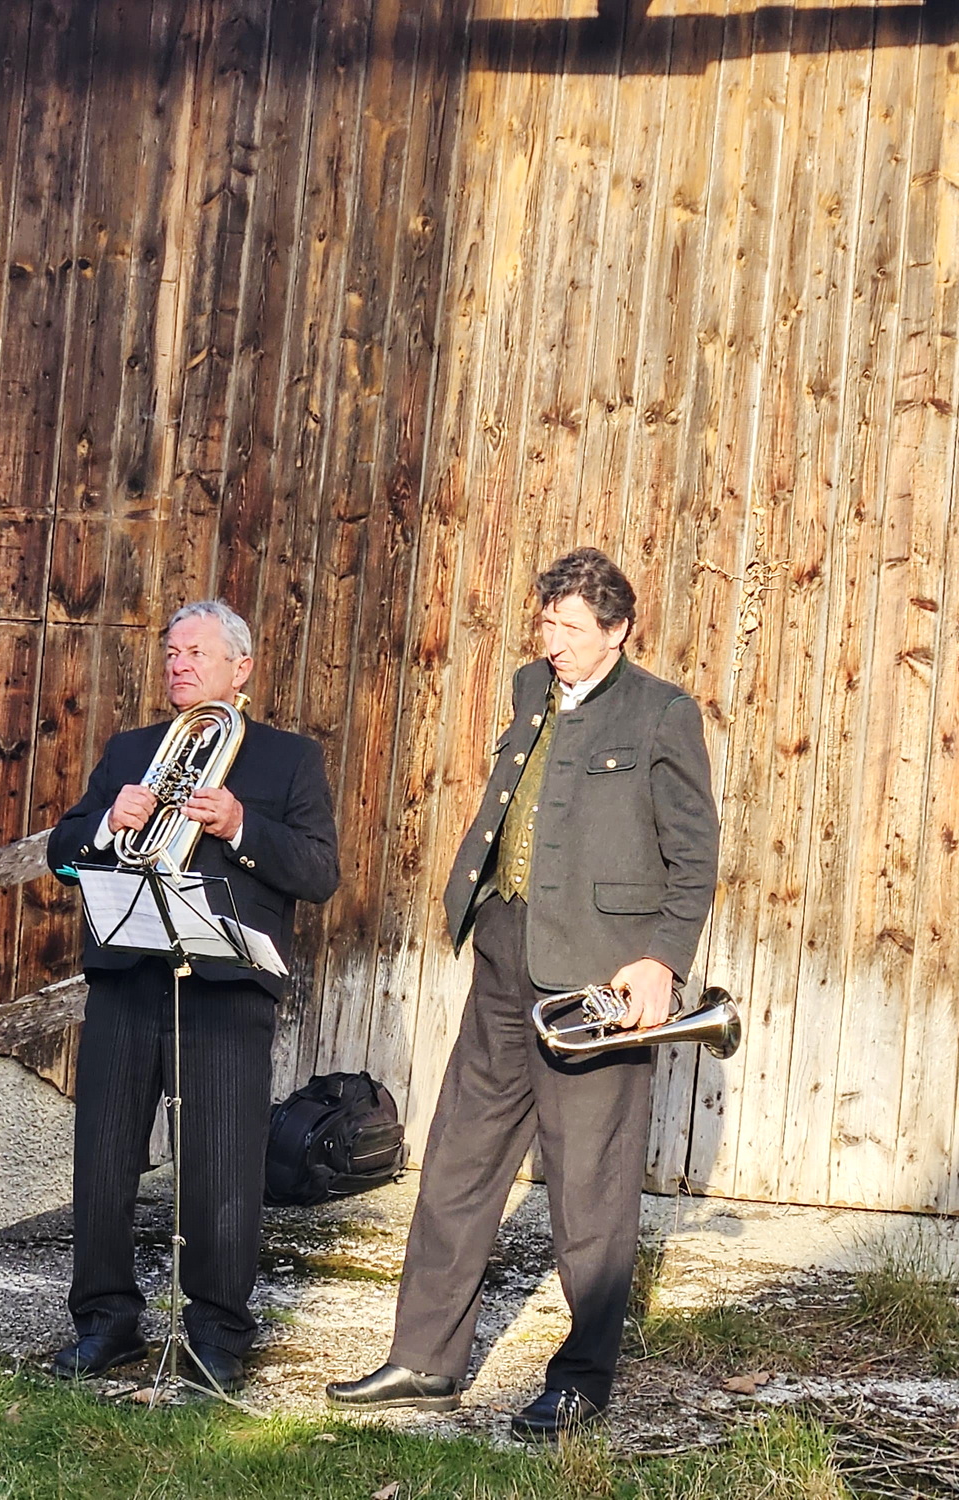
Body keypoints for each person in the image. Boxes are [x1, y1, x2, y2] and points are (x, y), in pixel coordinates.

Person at [326, 548, 718, 1439]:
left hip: (600, 977)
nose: (554, 643)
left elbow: (695, 856)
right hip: (504, 952)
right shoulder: (530, 687)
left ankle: (581, 1379)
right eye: (547, 623)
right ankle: (425, 1360)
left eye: (573, 628)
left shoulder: (662, 713)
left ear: (619, 630)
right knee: (458, 1160)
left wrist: (661, 961)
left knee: (589, 1187)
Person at [43, 600, 340, 1393]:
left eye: (196, 653)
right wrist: (106, 823)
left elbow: (318, 874)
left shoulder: (288, 759)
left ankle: (217, 1333)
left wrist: (240, 826)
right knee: (103, 1160)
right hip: (127, 978)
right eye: (172, 652)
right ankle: (105, 1322)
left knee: (222, 1169)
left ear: (241, 668)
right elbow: (62, 855)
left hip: (225, 987)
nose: (178, 664)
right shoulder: (132, 750)